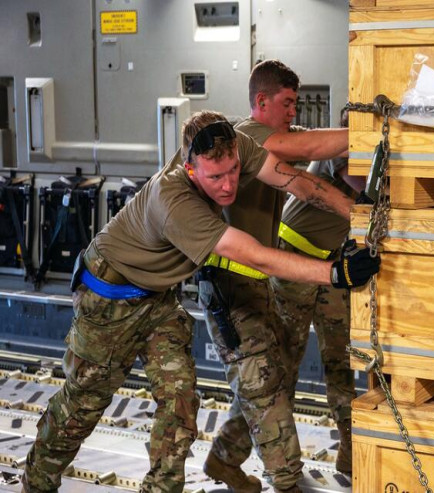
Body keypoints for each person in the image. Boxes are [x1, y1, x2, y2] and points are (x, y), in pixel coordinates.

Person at [20, 110, 379, 493]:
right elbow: (255, 255)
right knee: (82, 407)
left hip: (158, 298)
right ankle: (36, 484)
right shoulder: (174, 201)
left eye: (233, 172)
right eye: (216, 177)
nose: (229, 186)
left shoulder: (233, 147)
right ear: (191, 169)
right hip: (108, 298)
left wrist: (361, 214)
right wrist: (336, 273)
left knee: (180, 403)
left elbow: (298, 182)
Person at [199, 60, 351, 493]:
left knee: (280, 376)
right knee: (270, 382)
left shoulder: (274, 144)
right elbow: (310, 148)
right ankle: (269, 474)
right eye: (287, 103)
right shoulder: (248, 135)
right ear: (261, 101)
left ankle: (229, 459)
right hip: (243, 282)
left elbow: (307, 170)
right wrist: (372, 133)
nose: (292, 112)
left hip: (272, 278)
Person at [271, 107, 363, 476]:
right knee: (285, 360)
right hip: (293, 258)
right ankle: (272, 459)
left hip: (330, 262)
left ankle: (351, 452)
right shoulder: (336, 153)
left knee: (340, 356)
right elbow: (364, 188)